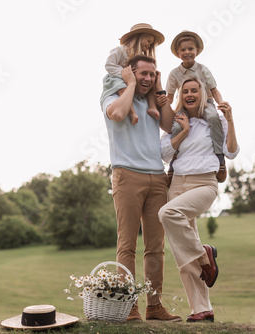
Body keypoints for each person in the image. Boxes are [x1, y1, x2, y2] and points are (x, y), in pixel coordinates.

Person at [101, 54, 181, 322]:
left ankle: (154, 307)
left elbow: (169, 126)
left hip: (157, 177)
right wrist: (130, 85)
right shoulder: (114, 95)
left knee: (155, 247)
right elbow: (118, 114)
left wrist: (160, 92)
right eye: (142, 74)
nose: (147, 78)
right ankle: (129, 307)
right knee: (127, 245)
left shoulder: (152, 104)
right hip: (127, 175)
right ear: (130, 74)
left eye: (152, 74)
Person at [158, 77, 239, 322]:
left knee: (167, 214)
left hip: (204, 183)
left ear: (202, 95)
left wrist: (231, 120)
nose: (190, 94)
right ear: (181, 96)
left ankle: (205, 256)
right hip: (177, 184)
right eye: (186, 91)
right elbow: (163, 153)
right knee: (182, 254)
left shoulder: (215, 122)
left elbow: (232, 151)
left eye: (195, 90)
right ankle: (201, 309)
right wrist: (183, 131)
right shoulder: (176, 122)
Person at [165, 31, 227, 182]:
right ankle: (173, 161)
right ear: (178, 53)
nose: (187, 52)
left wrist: (222, 105)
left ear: (196, 51)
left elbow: (214, 90)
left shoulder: (203, 69)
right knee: (177, 127)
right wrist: (168, 113)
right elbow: (170, 97)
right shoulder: (174, 74)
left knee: (213, 118)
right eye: (183, 50)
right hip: (184, 105)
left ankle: (220, 158)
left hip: (205, 103)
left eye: (190, 49)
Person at [100, 23, 165, 125]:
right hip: (117, 77)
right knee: (121, 86)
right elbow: (109, 65)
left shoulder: (141, 57)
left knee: (150, 84)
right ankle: (132, 112)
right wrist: (125, 73)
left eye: (151, 44)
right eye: (148, 41)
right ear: (139, 38)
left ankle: (152, 107)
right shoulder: (121, 50)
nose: (149, 45)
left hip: (131, 79)